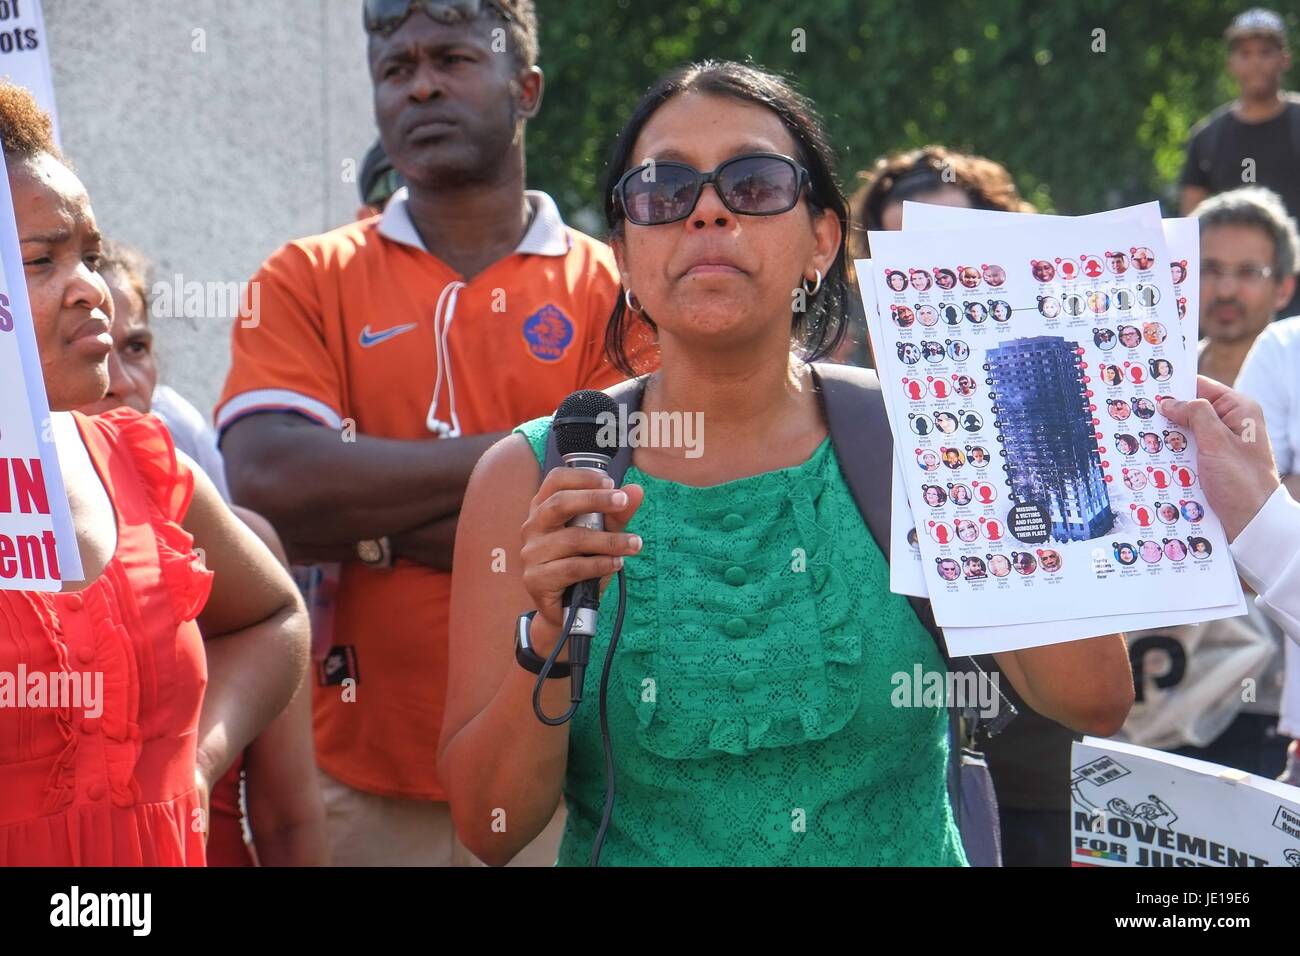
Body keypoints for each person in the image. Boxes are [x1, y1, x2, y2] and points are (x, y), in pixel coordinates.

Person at [437, 59, 1132, 867]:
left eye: (755, 184)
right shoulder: (530, 478)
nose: (706, 213)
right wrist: (549, 633)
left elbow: (1095, 698)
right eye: (665, 191)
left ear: (823, 241)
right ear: (623, 255)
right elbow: (489, 827)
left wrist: (1023, 447)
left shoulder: (924, 440)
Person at [217, 0, 628, 866]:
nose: (422, 86)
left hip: (562, 768)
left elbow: (624, 517)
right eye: (395, 69)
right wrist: (531, 461)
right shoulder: (303, 277)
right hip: (359, 778)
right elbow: (269, 484)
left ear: (527, 89)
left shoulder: (614, 289)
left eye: (450, 58)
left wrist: (368, 530)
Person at [0, 83, 309, 865]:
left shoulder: (143, 462)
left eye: (90, 256)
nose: (91, 290)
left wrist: (197, 763)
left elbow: (274, 619)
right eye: (42, 259)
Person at [88, 243, 327, 866]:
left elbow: (288, 819)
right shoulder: (22, 554)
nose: (117, 381)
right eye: (84, 346)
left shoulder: (241, 549)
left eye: (135, 348)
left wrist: (193, 766)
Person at [1180, 8, 1300, 316]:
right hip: (1234, 298)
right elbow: (1191, 228)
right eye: (1245, 54)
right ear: (1231, 63)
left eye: (1265, 52)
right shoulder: (1207, 138)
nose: (1256, 63)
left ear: (1284, 59)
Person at [1193, 187, 1299, 386]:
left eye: (1249, 272)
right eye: (1210, 269)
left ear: (1283, 289)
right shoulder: (1159, 378)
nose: (1226, 291)